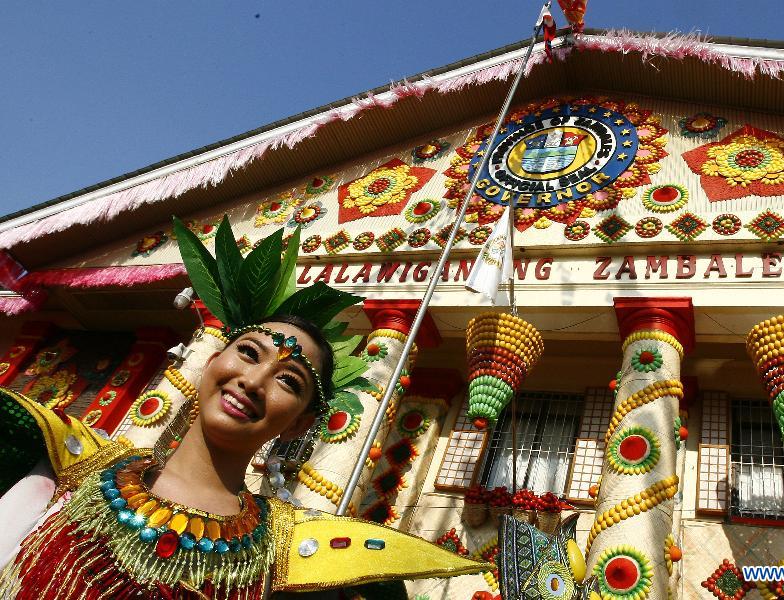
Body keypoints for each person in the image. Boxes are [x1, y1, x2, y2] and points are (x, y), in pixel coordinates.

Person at [0, 217, 486, 598]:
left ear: (302, 424)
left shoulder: (296, 558)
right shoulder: (65, 466)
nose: (253, 381)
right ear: (212, 360)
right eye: (248, 353)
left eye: (289, 381)